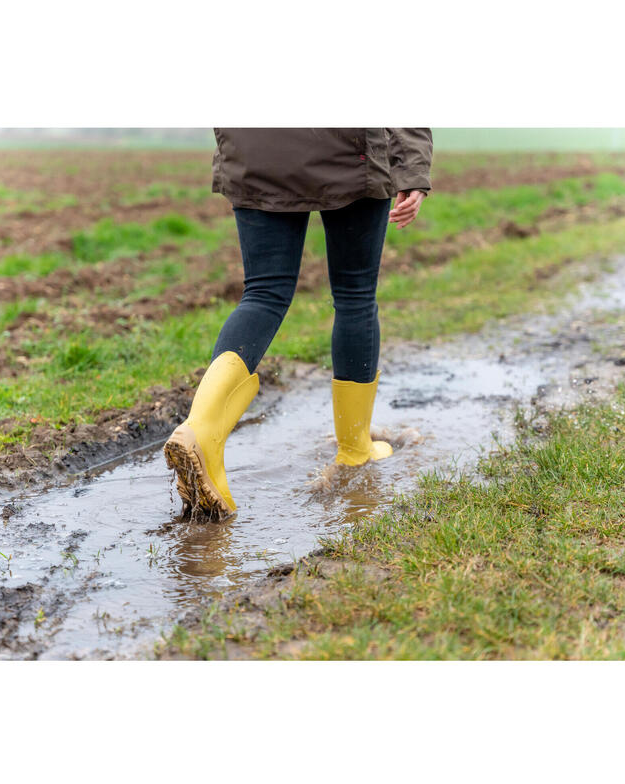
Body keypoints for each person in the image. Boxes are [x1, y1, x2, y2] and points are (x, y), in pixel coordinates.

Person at [164, 128, 433, 520]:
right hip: (346, 150)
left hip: (255, 147)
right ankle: (355, 449)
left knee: (262, 293)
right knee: (354, 295)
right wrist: (412, 171)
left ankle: (200, 428)